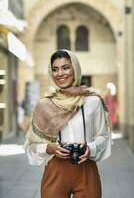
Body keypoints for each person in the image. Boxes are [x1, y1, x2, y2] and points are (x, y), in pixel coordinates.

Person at [24, 50, 112, 198]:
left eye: (65, 67)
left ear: (75, 69)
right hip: (55, 171)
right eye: (55, 69)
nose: (60, 73)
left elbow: (103, 137)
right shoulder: (44, 105)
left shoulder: (93, 101)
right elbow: (30, 146)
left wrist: (89, 148)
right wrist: (49, 148)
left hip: (86, 169)